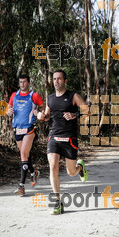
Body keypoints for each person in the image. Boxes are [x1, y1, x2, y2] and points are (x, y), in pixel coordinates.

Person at [37, 69, 88, 215]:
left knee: (71, 173)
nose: (56, 81)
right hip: (54, 136)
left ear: (65, 81)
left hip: (69, 138)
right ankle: (57, 202)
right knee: (53, 166)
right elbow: (47, 116)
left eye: (59, 79)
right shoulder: (50, 98)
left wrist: (75, 114)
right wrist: (42, 116)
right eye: (54, 79)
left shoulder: (73, 96)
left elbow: (87, 110)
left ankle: (79, 167)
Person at [7, 74, 44, 195]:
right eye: (20, 82)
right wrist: (9, 111)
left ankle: (21, 186)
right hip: (17, 129)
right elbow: (8, 109)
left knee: (23, 154)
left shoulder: (34, 96)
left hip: (29, 129)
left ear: (28, 83)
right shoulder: (14, 95)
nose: (22, 84)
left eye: (24, 82)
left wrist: (39, 113)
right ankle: (34, 173)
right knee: (25, 156)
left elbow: (44, 110)